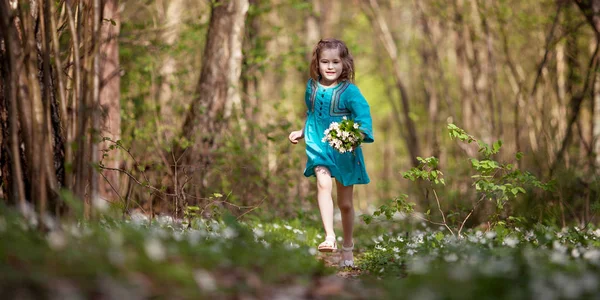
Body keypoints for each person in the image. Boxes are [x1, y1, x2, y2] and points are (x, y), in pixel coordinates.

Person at [288, 38, 374, 268]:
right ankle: (329, 236)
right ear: (317, 63)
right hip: (319, 146)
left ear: (344, 64)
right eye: (325, 61)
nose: (330, 66)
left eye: (335, 61)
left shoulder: (350, 92)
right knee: (323, 184)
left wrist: (360, 133)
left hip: (344, 150)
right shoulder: (312, 88)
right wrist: (302, 131)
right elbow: (312, 114)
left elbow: (363, 116)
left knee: (345, 204)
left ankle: (348, 246)